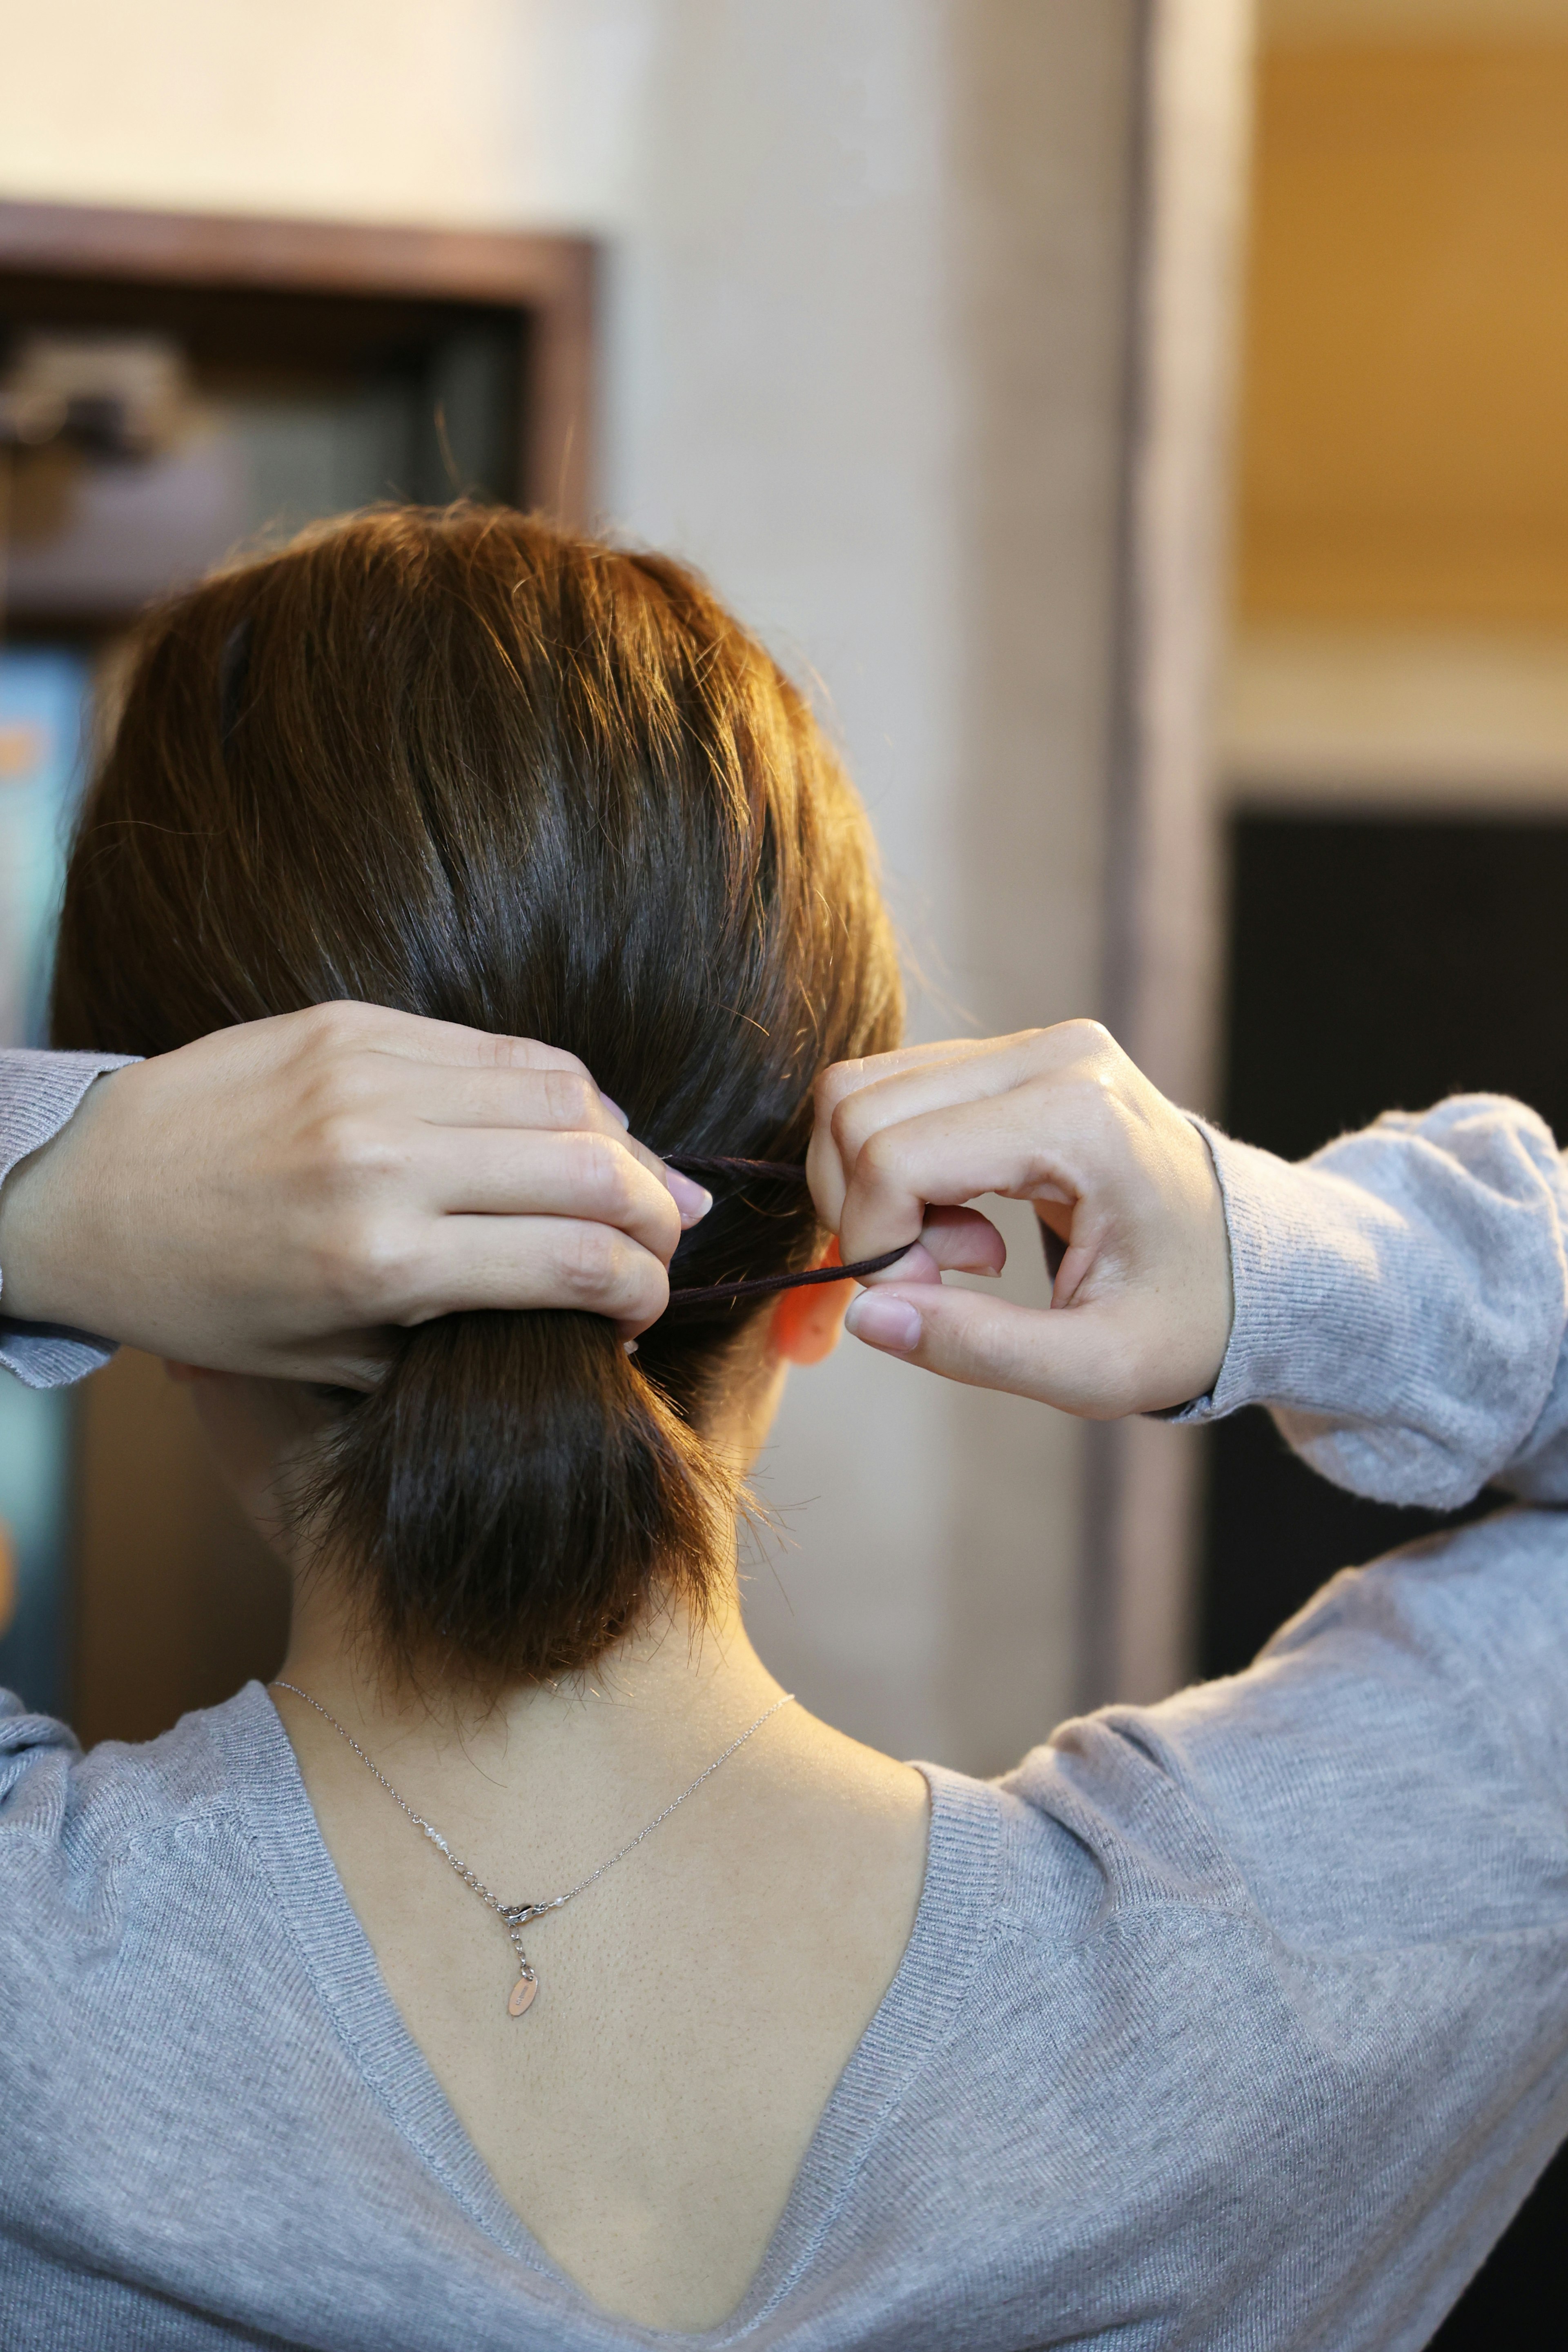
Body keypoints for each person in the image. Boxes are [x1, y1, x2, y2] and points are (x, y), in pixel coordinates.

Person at [0, 506, 1565, 2352]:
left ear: (181, 1305)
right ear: (832, 1270)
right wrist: (1293, 1258)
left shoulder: (45, 1992)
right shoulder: (1280, 1976)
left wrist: (45, 1201)